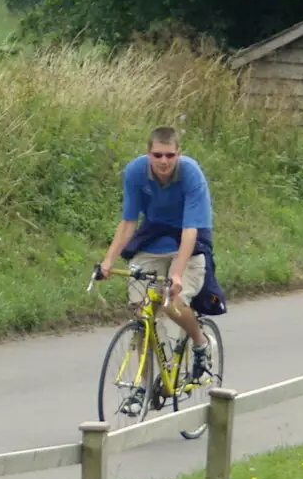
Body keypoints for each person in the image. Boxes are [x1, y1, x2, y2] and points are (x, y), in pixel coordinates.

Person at [95, 126, 221, 405]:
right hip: (153, 239)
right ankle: (142, 385)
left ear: (179, 154)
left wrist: (176, 273)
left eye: (169, 155)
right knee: (143, 313)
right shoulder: (135, 173)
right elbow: (129, 221)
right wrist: (108, 261)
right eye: (157, 155)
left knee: (171, 304)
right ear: (148, 153)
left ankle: (199, 343)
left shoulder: (191, 174)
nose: (163, 161)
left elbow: (191, 231)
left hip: (188, 240)